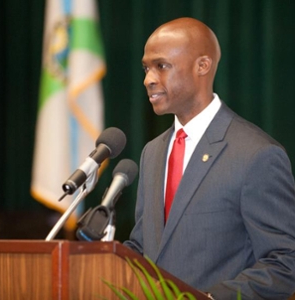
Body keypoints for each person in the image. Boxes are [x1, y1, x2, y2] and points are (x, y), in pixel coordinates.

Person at [123, 17, 295, 299]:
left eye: (161, 66)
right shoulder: (152, 152)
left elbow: (284, 262)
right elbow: (146, 247)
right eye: (146, 68)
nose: (148, 79)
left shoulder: (256, 155)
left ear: (202, 66)